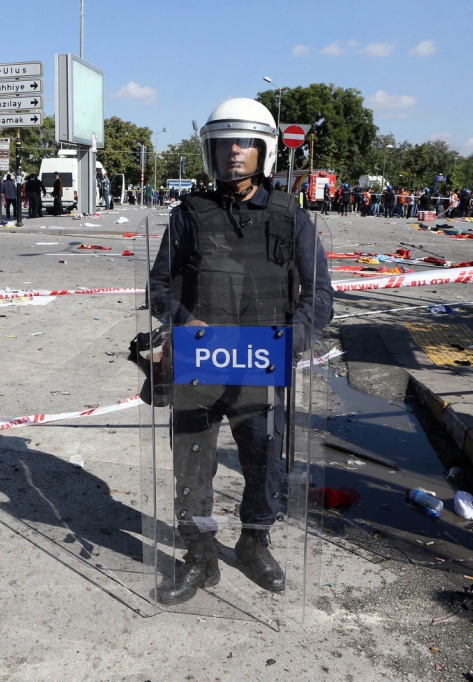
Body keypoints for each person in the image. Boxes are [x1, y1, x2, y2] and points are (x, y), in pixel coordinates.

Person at [147, 98, 333, 605]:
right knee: (192, 467)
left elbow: (320, 297)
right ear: (211, 149)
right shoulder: (189, 215)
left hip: (259, 364)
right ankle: (200, 554)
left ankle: (255, 542)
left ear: (264, 150)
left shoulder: (289, 216)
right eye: (225, 143)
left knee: (262, 462)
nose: (234, 153)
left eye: (244, 143)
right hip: (199, 364)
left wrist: (291, 341)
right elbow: (159, 288)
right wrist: (186, 322)